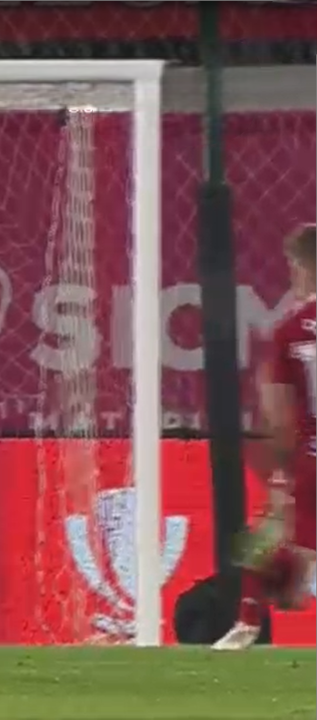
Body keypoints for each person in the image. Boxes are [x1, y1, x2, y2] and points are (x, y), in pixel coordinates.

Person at [215, 223, 316, 651]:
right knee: (292, 548)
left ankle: (247, 620)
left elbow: (277, 413)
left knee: (269, 531)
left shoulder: (289, 330)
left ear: (302, 267)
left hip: (311, 456)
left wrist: (279, 473)